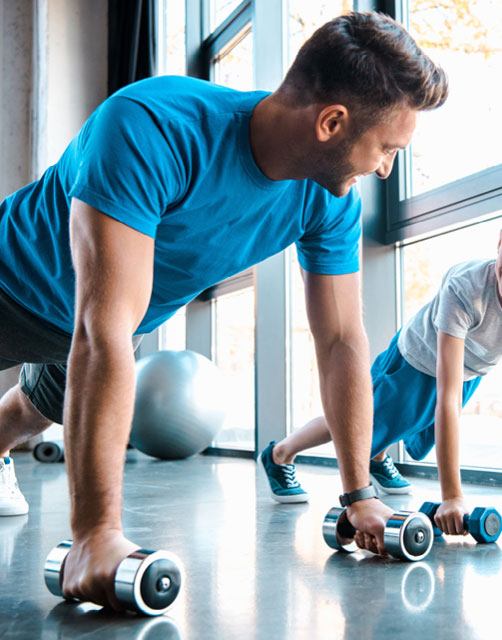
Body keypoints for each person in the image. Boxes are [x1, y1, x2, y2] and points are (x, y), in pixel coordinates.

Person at [0, 11, 448, 607]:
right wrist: (95, 535)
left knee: (34, 412)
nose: (386, 166)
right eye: (386, 148)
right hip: (15, 288)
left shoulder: (328, 201)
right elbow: (99, 325)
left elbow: (342, 340)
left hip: (94, 330)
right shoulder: (155, 124)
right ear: (332, 122)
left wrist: (358, 492)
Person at [262, 185, 502, 535]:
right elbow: (445, 394)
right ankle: (280, 453)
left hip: (469, 372)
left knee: (402, 430)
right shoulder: (465, 288)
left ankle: (376, 454)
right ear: (499, 241)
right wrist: (452, 497)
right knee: (357, 422)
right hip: (414, 361)